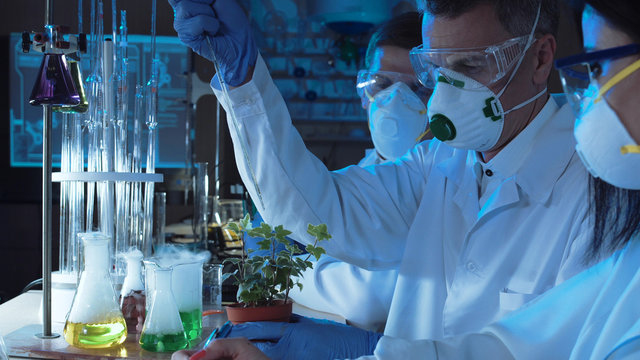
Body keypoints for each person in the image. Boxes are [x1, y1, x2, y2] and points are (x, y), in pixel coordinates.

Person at [175, 0, 640, 359]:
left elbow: (528, 349)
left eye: (470, 67)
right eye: (437, 70)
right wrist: (243, 79)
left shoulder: (600, 190)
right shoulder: (440, 161)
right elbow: (319, 210)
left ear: (541, 59)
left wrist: (358, 350)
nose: (446, 93)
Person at [241, 12, 428, 333]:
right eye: (381, 84)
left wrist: (283, 270)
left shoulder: (451, 177)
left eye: (418, 88)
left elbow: (369, 299)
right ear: (362, 94)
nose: (396, 100)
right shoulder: (346, 183)